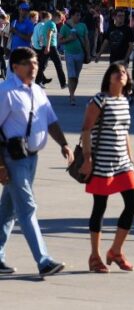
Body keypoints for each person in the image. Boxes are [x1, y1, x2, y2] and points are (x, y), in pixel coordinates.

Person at [0, 47, 74, 277]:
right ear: (15, 67)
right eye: (28, 63)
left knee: (9, 209)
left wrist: (63, 144)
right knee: (27, 207)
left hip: (31, 157)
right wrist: (1, 165)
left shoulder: (38, 91)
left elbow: (51, 120)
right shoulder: (6, 92)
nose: (34, 67)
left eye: (36, 63)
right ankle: (43, 261)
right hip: (11, 159)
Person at [78, 64, 134, 273]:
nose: (120, 74)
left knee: (133, 203)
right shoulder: (99, 99)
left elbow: (125, 131)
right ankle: (94, 256)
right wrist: (87, 159)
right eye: (116, 71)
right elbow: (86, 129)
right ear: (108, 77)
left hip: (122, 162)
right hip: (102, 162)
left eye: (123, 71)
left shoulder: (124, 101)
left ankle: (115, 250)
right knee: (100, 207)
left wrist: (131, 160)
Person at [59, 8, 89, 106]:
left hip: (80, 53)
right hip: (69, 53)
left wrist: (88, 53)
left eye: (80, 15)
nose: (79, 17)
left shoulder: (83, 26)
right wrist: (69, 38)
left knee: (76, 76)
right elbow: (60, 41)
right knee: (71, 75)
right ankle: (72, 96)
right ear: (72, 15)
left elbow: (86, 40)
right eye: (77, 15)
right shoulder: (65, 26)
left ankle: (72, 92)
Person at [32, 11, 65, 89]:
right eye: (60, 18)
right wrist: (48, 46)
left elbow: (43, 35)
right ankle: (63, 83)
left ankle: (38, 81)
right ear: (56, 16)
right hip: (51, 46)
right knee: (58, 64)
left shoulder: (47, 24)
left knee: (42, 65)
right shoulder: (52, 24)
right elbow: (49, 34)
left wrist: (44, 45)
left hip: (45, 46)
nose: (60, 20)